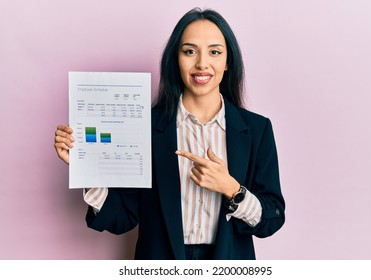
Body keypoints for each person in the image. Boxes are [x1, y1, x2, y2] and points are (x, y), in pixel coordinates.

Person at [54, 8, 285, 260]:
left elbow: (272, 219)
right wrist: (85, 168)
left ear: (228, 61)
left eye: (215, 52)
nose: (202, 63)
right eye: (189, 51)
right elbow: (122, 218)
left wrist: (231, 188)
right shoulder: (144, 126)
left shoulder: (257, 130)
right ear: (176, 58)